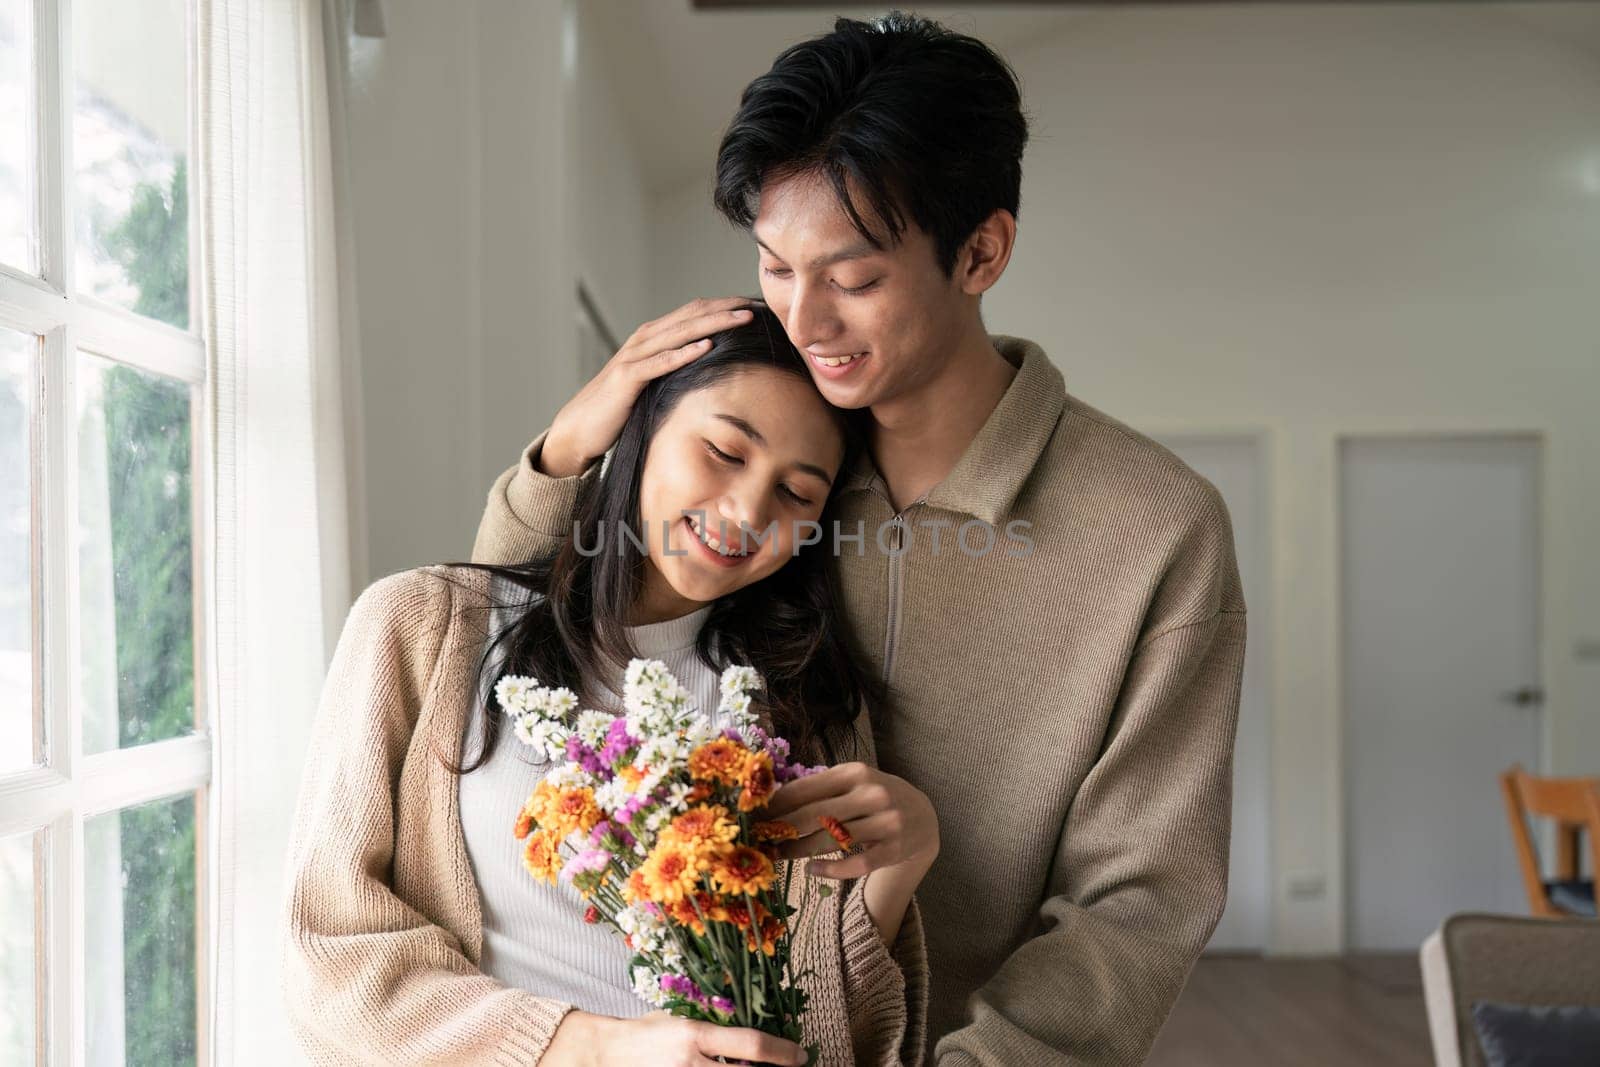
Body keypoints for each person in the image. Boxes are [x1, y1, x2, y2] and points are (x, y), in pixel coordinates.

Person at [472, 12, 1247, 1065]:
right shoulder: (761, 473)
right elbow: (527, 619)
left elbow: (1138, 902)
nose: (805, 319)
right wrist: (567, 448)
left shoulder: (1157, 527)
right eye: (775, 268)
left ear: (981, 250)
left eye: (854, 277)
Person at [282, 307, 934, 1066]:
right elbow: (326, 958)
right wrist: (593, 1048)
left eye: (796, 494)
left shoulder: (801, 708)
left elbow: (815, 1027)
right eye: (724, 450)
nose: (748, 511)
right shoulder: (424, 626)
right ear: (640, 429)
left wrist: (904, 862)